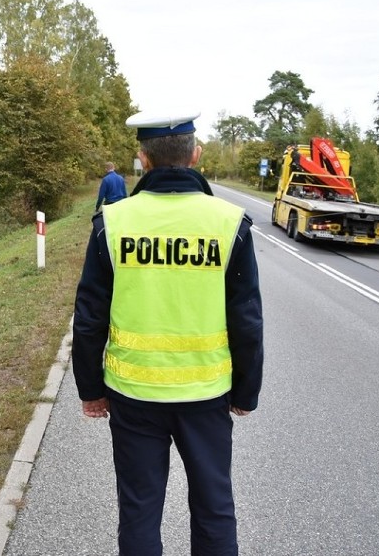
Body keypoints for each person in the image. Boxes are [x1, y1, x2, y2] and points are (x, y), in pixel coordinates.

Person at [72, 110, 264, 555]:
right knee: (215, 508)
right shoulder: (229, 223)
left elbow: (89, 318)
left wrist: (90, 389)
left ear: (142, 160)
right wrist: (246, 391)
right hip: (206, 394)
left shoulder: (113, 223)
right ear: (195, 156)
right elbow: (247, 318)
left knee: (139, 510)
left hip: (133, 395)